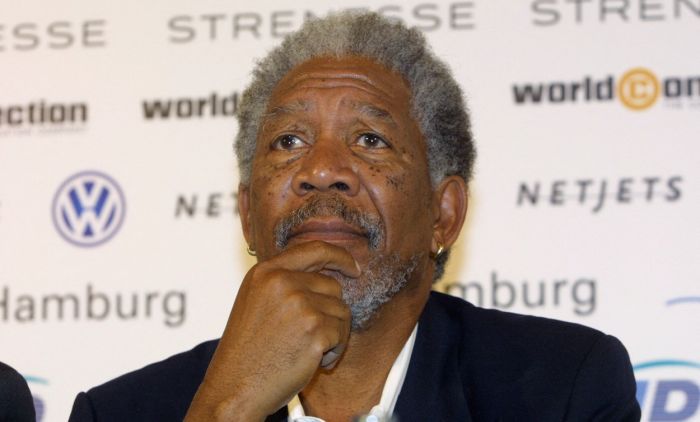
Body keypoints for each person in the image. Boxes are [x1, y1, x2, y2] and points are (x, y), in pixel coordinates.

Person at [69, 11, 640, 422]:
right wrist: (228, 409)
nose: (321, 170)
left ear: (443, 215)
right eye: (289, 141)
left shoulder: (561, 389)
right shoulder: (120, 411)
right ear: (247, 215)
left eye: (370, 139)